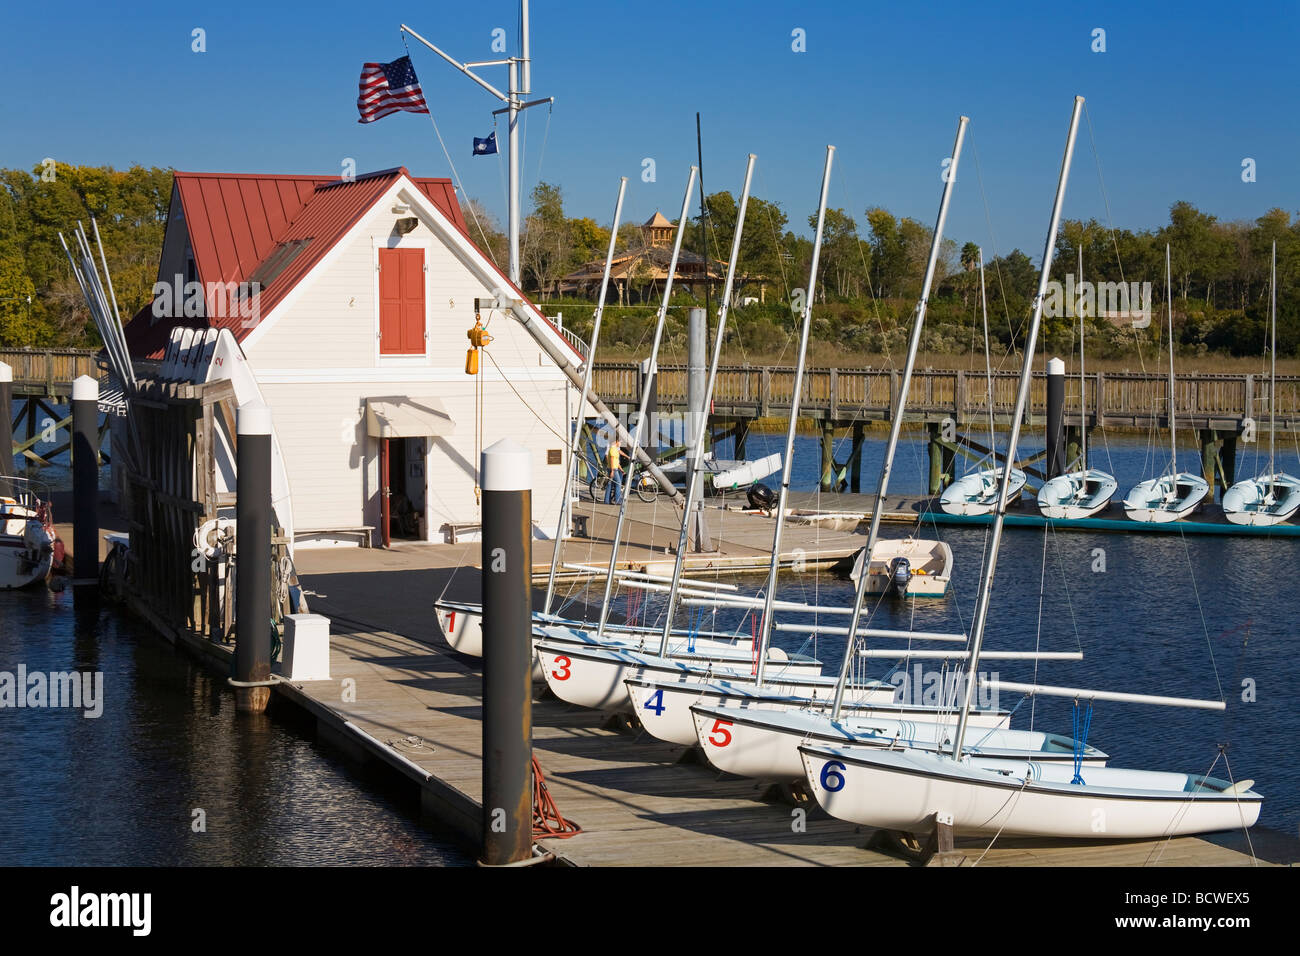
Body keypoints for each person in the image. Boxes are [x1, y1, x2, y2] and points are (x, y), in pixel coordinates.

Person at [606, 438, 630, 504]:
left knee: (610, 484)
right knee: (618, 483)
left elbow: (616, 462)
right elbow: (612, 461)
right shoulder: (613, 449)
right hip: (613, 469)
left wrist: (621, 470)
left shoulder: (615, 449)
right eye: (620, 442)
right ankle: (617, 500)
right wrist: (612, 471)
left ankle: (607, 501)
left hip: (613, 468)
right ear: (616, 442)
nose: (620, 444)